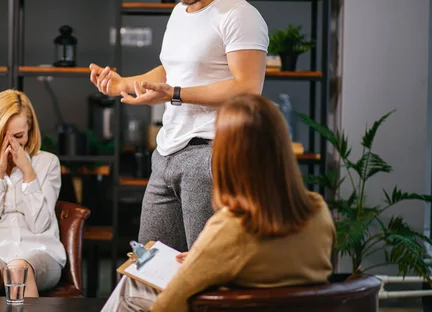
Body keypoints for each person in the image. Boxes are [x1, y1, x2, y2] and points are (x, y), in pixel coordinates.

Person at [89, 0, 269, 252]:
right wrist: (122, 84)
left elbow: (247, 88)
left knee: (204, 268)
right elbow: (173, 71)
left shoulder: (238, 15)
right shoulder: (179, 12)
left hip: (211, 155)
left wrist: (174, 95)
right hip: (167, 153)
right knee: (149, 265)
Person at [101, 93, 336, 312]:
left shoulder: (231, 226)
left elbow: (168, 306)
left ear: (226, 157)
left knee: (131, 286)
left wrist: (205, 257)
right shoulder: (318, 211)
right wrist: (204, 258)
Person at [0, 89, 65, 297]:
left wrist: (28, 172)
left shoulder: (48, 163)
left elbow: (39, 224)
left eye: (18, 136)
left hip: (39, 251)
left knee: (19, 270)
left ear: (30, 131)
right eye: (3, 137)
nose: (11, 144)